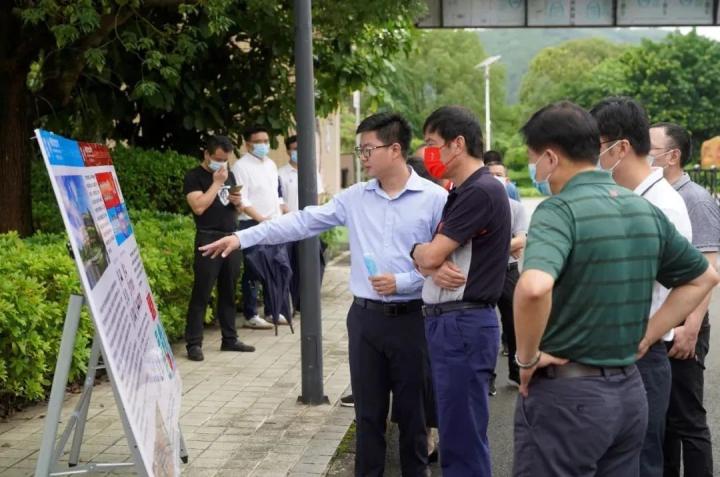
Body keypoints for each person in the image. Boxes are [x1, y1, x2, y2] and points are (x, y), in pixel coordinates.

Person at [199, 112, 447, 476]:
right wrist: (242, 237)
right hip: (365, 320)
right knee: (368, 415)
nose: (362, 157)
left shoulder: (435, 199)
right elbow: (301, 221)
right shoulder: (356, 198)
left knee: (413, 416)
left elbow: (445, 264)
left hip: (413, 319)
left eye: (368, 149)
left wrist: (404, 281)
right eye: (359, 150)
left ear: (395, 149)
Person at [513, 101, 718, 476]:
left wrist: (526, 360)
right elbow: (703, 277)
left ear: (550, 157)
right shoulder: (642, 208)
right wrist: (646, 335)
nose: (535, 169)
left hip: (570, 396)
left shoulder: (559, 210)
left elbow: (533, 288)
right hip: (627, 389)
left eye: (533, 159)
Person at [591, 97, 693, 476]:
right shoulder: (626, 198)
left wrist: (647, 336)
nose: (591, 157)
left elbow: (692, 283)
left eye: (596, 146)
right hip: (610, 352)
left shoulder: (663, 205)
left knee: (641, 461)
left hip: (641, 357)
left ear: (620, 148)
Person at [411, 105, 511, 476]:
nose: (427, 153)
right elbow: (427, 259)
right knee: (455, 433)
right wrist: (423, 258)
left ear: (458, 144)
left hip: (462, 323)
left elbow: (430, 253)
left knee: (463, 438)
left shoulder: (480, 191)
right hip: (452, 323)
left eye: (431, 143)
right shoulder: (463, 191)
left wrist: (421, 254)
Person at [650, 122, 718, 477]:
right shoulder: (657, 195)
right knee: (662, 420)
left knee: (687, 418)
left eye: (650, 150)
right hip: (664, 321)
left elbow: (708, 269)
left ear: (672, 156)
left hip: (684, 323)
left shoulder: (694, 199)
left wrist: (691, 328)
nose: (643, 155)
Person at [183, 135, 255, 361]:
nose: (222, 164)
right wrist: (216, 183)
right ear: (206, 154)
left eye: (225, 160)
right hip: (208, 237)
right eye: (218, 159)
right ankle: (194, 343)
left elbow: (237, 208)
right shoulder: (194, 176)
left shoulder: (228, 174)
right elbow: (198, 207)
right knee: (202, 291)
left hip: (230, 238)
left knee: (229, 290)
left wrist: (237, 202)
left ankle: (229, 338)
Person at [231, 125, 283, 329]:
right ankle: (251, 314)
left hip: (273, 223)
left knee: (274, 267)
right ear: (247, 144)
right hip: (252, 223)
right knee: (254, 269)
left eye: (266, 141)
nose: (263, 145)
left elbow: (275, 194)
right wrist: (261, 219)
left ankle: (272, 311)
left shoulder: (270, 164)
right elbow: (242, 200)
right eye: (258, 142)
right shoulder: (241, 167)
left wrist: (278, 218)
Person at [487, 159, 528, 388]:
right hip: (483, 272)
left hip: (508, 272)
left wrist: (490, 246)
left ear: (507, 179)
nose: (495, 178)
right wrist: (508, 245)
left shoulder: (516, 207)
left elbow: (521, 241)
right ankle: (487, 377)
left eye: (498, 174)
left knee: (513, 324)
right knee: (485, 325)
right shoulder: (477, 205)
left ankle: (516, 371)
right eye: (490, 174)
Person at [278, 135, 327, 313]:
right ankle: (293, 303)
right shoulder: (280, 173)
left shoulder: (312, 172)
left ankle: (307, 301)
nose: (298, 152)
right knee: (292, 267)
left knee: (316, 264)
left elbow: (318, 197)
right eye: (294, 149)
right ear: (288, 151)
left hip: (310, 226)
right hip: (290, 227)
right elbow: (280, 202)